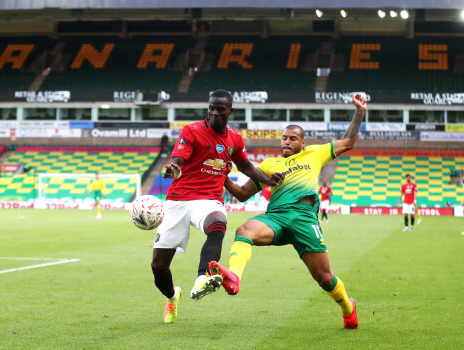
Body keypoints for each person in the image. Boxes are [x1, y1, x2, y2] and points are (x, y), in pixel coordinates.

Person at [209, 93, 368, 329]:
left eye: (293, 138)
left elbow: (348, 143)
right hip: (276, 218)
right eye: (284, 138)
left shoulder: (314, 153)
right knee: (244, 229)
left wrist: (359, 112)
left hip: (304, 218)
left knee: (324, 278)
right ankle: (233, 277)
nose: (286, 142)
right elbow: (242, 194)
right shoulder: (269, 166)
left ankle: (347, 306)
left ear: (302, 142)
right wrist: (223, 176)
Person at [152, 89, 282, 323]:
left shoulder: (235, 139)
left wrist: (266, 179)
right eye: (211, 107)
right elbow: (178, 160)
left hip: (208, 200)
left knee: (218, 223)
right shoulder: (191, 131)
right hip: (178, 200)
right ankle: (172, 298)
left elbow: (245, 166)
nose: (214, 112)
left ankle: (203, 276)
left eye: (220, 109)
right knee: (159, 268)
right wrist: (174, 168)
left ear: (230, 111)